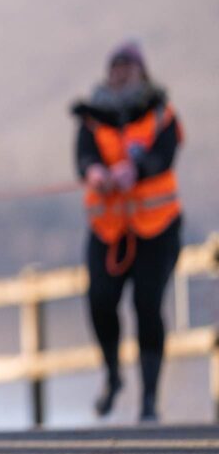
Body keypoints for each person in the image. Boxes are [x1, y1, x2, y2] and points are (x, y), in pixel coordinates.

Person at [71, 41, 183, 422]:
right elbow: (84, 157)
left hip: (157, 228)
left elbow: (165, 155)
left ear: (142, 72)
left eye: (127, 66)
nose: (120, 72)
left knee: (147, 305)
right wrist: (95, 172)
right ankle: (114, 375)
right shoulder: (91, 118)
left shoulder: (160, 114)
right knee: (100, 301)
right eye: (115, 66)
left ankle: (149, 399)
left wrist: (137, 169)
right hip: (108, 230)